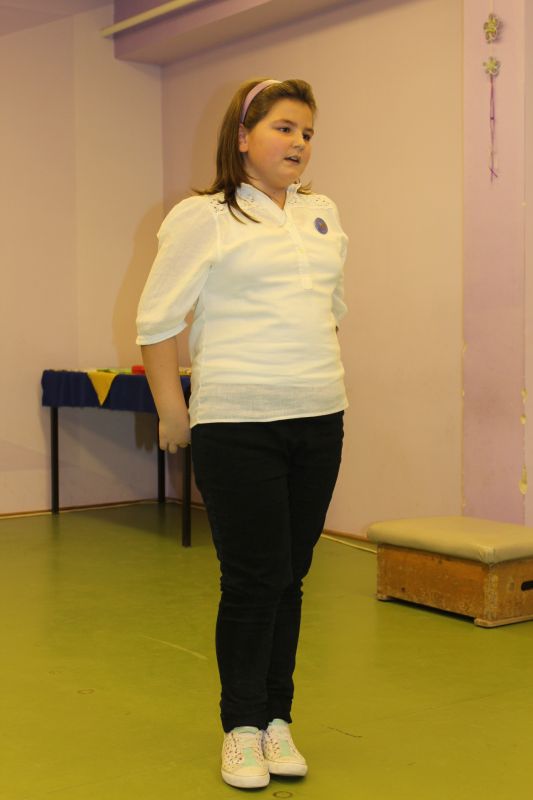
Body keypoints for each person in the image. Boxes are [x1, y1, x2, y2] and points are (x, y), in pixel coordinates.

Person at [136, 77, 348, 790]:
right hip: (237, 423)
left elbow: (330, 311)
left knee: (291, 577)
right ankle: (241, 729)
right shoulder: (205, 216)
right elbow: (157, 321)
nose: (299, 142)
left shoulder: (322, 214)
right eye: (284, 127)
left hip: (319, 418)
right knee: (254, 580)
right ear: (242, 136)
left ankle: (277, 718)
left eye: (307, 132)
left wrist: (318, 381)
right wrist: (173, 413)